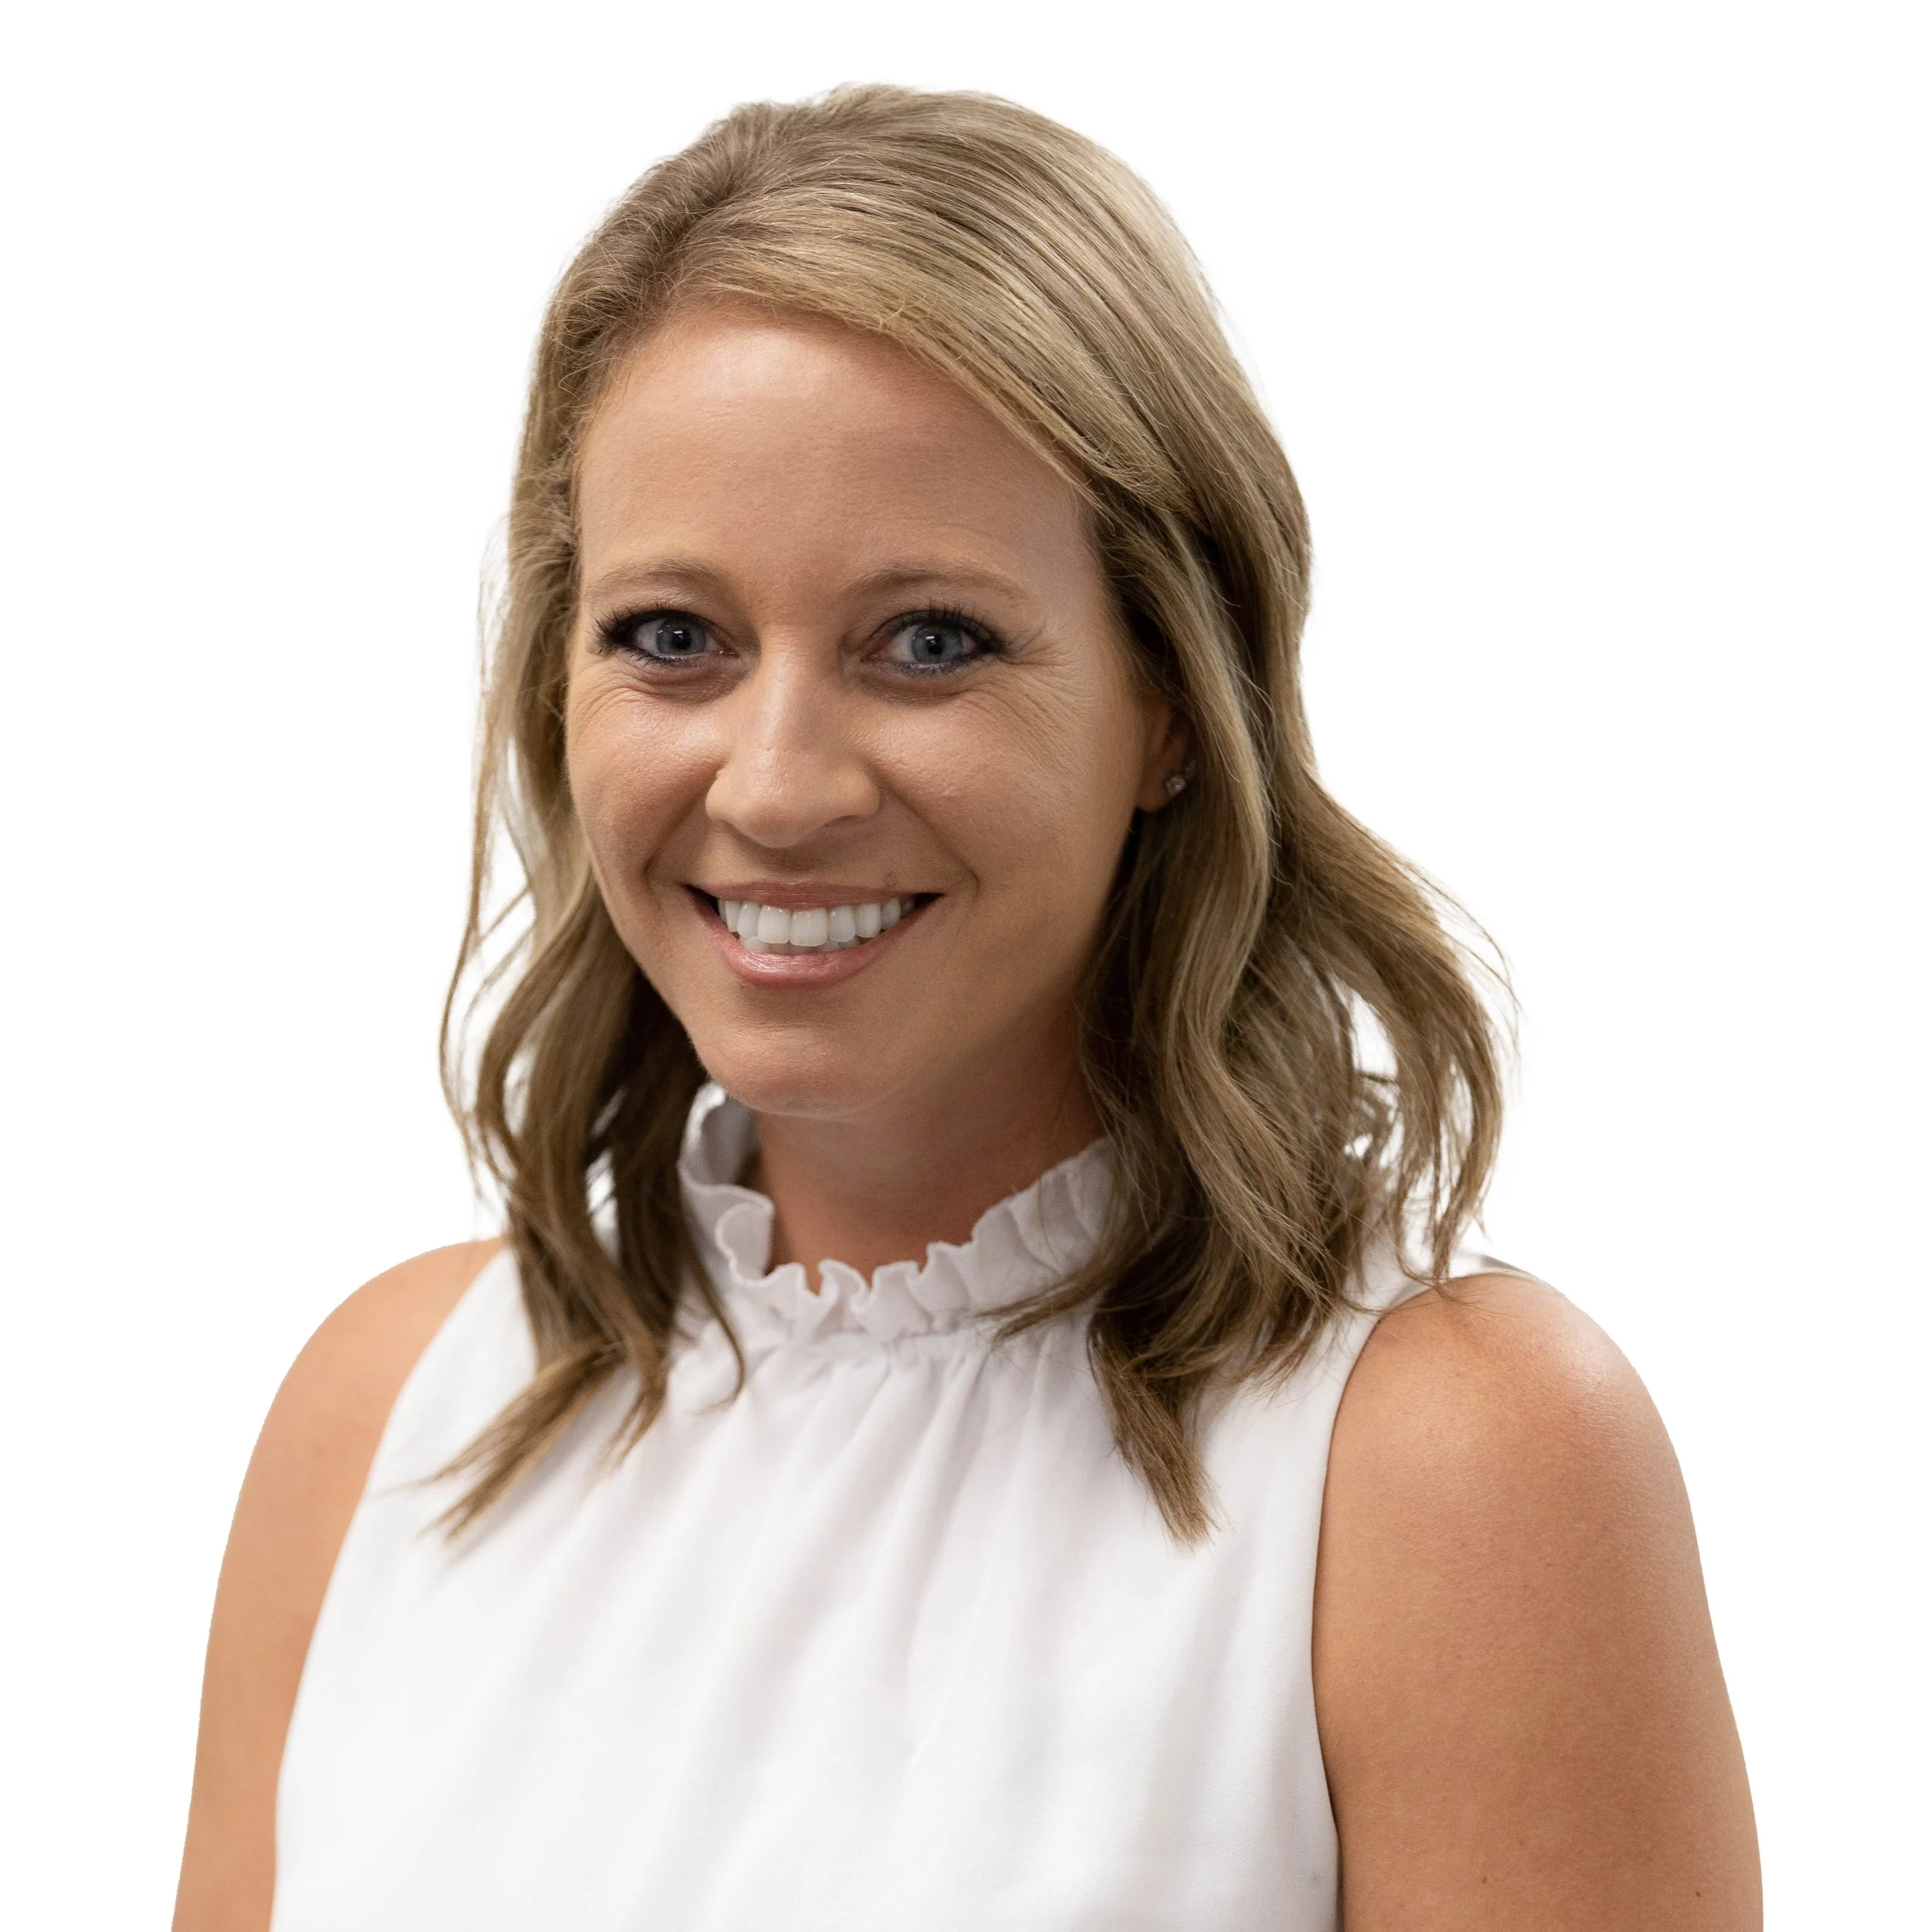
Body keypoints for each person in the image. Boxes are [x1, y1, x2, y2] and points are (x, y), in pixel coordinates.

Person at [173, 85, 1760, 1931]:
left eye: (928, 640)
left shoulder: (1452, 1465)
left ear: (1172, 705)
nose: (776, 786)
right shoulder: (386, 1412)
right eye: (672, 636)